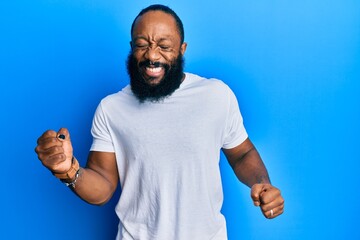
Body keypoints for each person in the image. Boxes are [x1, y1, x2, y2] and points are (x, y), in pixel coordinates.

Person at [35, 4, 284, 240]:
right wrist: (68, 170)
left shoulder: (216, 95)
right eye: (142, 45)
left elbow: (242, 153)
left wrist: (262, 184)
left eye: (164, 46)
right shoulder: (111, 108)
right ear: (132, 47)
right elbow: (103, 186)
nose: (152, 55)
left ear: (182, 49)